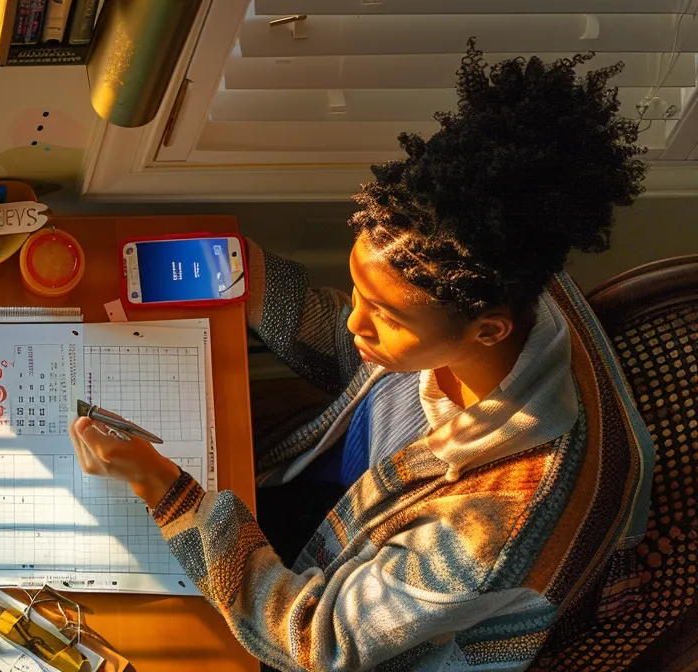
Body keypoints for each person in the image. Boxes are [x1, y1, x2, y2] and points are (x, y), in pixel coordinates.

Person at [69, 43, 656, 672]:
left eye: (385, 315)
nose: (354, 322)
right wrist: (253, 278)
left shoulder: (493, 522)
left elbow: (320, 644)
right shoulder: (493, 259)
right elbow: (366, 370)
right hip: (341, 509)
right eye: (359, 291)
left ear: (487, 331)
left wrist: (163, 489)